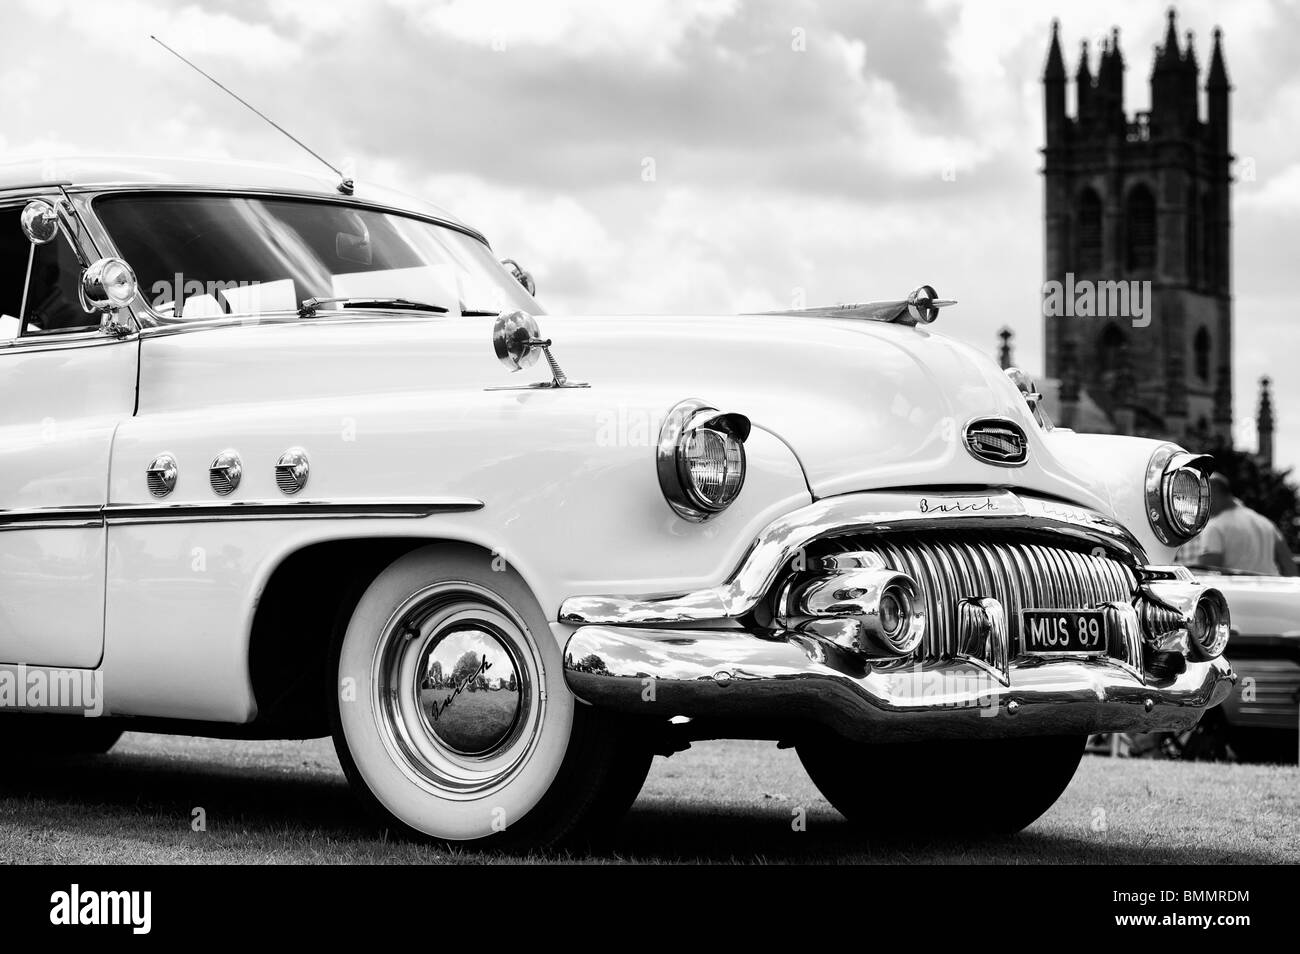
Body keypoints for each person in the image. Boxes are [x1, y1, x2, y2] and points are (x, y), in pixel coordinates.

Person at [1178, 472, 1299, 576]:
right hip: (1270, 595)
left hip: (1237, 597)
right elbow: (1289, 566)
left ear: (1213, 492)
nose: (1200, 504)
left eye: (1202, 497)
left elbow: (1208, 574)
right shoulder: (1265, 523)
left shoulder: (1215, 526)